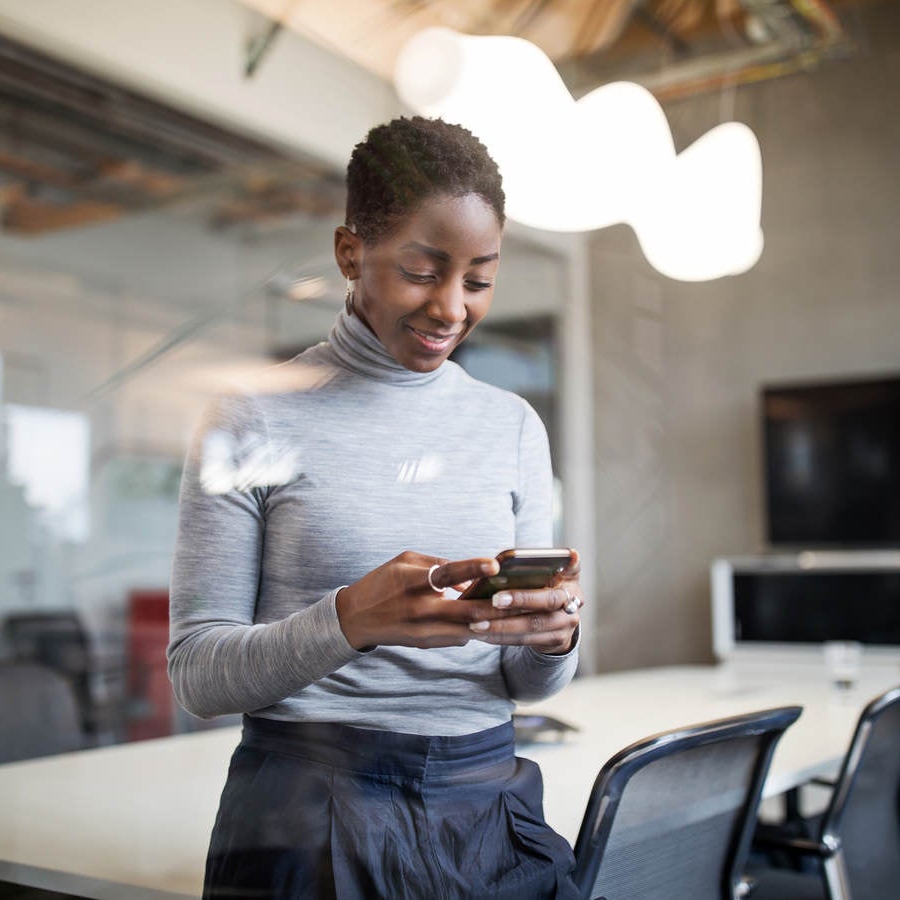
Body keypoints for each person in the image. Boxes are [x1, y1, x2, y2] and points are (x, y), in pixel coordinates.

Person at [168, 115, 584, 899]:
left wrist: (553, 639)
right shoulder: (253, 415)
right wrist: (351, 619)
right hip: (310, 808)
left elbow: (525, 684)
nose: (452, 308)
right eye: (424, 270)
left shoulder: (512, 426)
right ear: (350, 252)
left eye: (480, 279)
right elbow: (197, 675)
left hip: (488, 804)